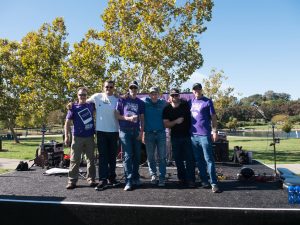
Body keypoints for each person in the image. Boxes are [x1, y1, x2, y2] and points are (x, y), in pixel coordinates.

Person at [87, 80, 120, 191]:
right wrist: (72, 105)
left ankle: (112, 178)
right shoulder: (97, 96)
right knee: (103, 156)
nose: (108, 89)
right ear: (103, 87)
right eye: (107, 87)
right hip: (101, 131)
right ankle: (103, 179)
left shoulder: (117, 99)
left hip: (114, 131)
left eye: (111, 87)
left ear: (113, 88)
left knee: (112, 156)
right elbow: (83, 102)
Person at [189, 83, 221, 193]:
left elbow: (213, 117)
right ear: (192, 91)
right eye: (194, 89)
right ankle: (204, 181)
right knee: (199, 160)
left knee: (209, 160)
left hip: (205, 135)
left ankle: (214, 183)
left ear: (201, 90)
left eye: (198, 89)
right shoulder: (190, 102)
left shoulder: (207, 101)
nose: (196, 91)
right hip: (193, 136)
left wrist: (214, 131)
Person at [64, 87, 97, 189]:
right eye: (80, 95)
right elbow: (67, 123)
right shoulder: (73, 107)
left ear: (87, 96)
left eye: (84, 95)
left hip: (90, 136)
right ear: (77, 96)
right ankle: (72, 181)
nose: (82, 96)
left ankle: (91, 179)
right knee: (74, 159)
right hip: (77, 137)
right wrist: (67, 136)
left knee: (91, 159)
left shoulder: (91, 105)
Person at [162, 88, 196, 187]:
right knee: (178, 159)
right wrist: (176, 121)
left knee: (190, 159)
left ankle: (191, 180)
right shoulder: (167, 108)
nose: (174, 97)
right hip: (175, 137)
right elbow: (166, 125)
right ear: (170, 97)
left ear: (179, 96)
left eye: (176, 95)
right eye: (172, 95)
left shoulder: (185, 105)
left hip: (187, 136)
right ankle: (181, 179)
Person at [115, 81, 145, 191]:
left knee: (137, 155)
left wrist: (141, 132)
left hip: (136, 131)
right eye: (131, 88)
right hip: (124, 131)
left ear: (137, 89)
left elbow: (142, 118)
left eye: (135, 88)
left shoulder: (140, 102)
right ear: (129, 89)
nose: (133, 89)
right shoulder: (122, 100)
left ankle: (136, 178)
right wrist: (127, 118)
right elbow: (116, 115)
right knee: (127, 156)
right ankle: (128, 181)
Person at [143, 87, 167, 187]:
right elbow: (133, 98)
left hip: (161, 133)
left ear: (158, 94)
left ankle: (161, 177)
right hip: (149, 134)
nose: (154, 95)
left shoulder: (163, 103)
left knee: (162, 157)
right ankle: (153, 175)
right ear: (149, 94)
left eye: (156, 93)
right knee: (150, 157)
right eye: (152, 93)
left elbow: (173, 104)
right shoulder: (144, 102)